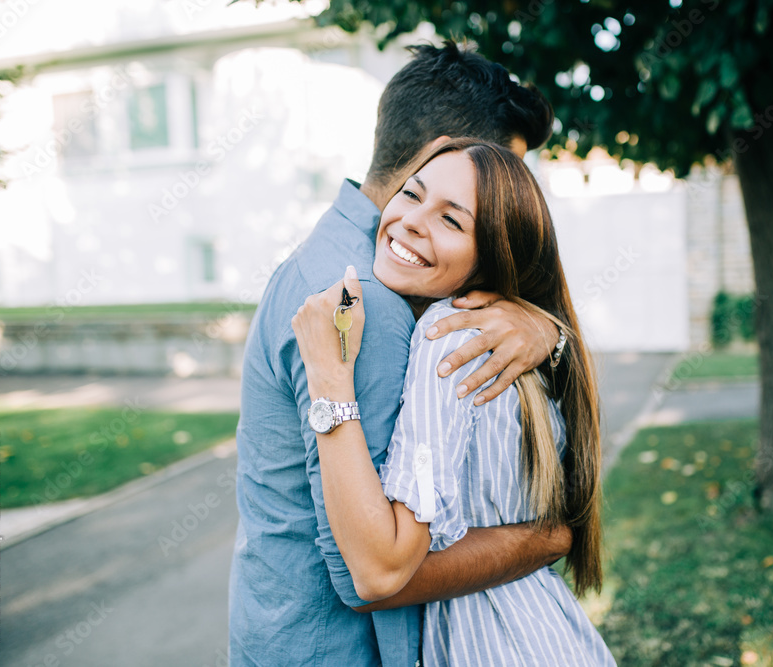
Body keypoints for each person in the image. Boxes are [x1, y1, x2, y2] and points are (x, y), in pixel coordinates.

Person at [230, 42, 570, 666]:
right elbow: (376, 572)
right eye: (503, 170)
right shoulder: (372, 307)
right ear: (445, 155)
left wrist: (544, 327)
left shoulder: (322, 256)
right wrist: (542, 540)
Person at [292, 139, 615, 665]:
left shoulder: (446, 339)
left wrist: (328, 376)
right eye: (412, 194)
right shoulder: (516, 337)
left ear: (489, 261)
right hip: (550, 632)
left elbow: (379, 570)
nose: (412, 221)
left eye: (451, 221)